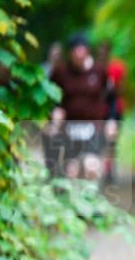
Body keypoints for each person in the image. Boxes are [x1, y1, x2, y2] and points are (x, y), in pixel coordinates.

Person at [47, 33, 120, 180]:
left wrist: (112, 120)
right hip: (70, 127)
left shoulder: (99, 71)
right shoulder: (60, 72)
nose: (79, 56)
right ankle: (73, 200)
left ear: (87, 52)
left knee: (91, 167)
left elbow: (112, 98)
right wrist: (53, 117)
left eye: (82, 51)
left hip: (93, 126)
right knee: (72, 170)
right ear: (70, 53)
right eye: (76, 52)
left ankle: (90, 197)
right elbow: (51, 98)